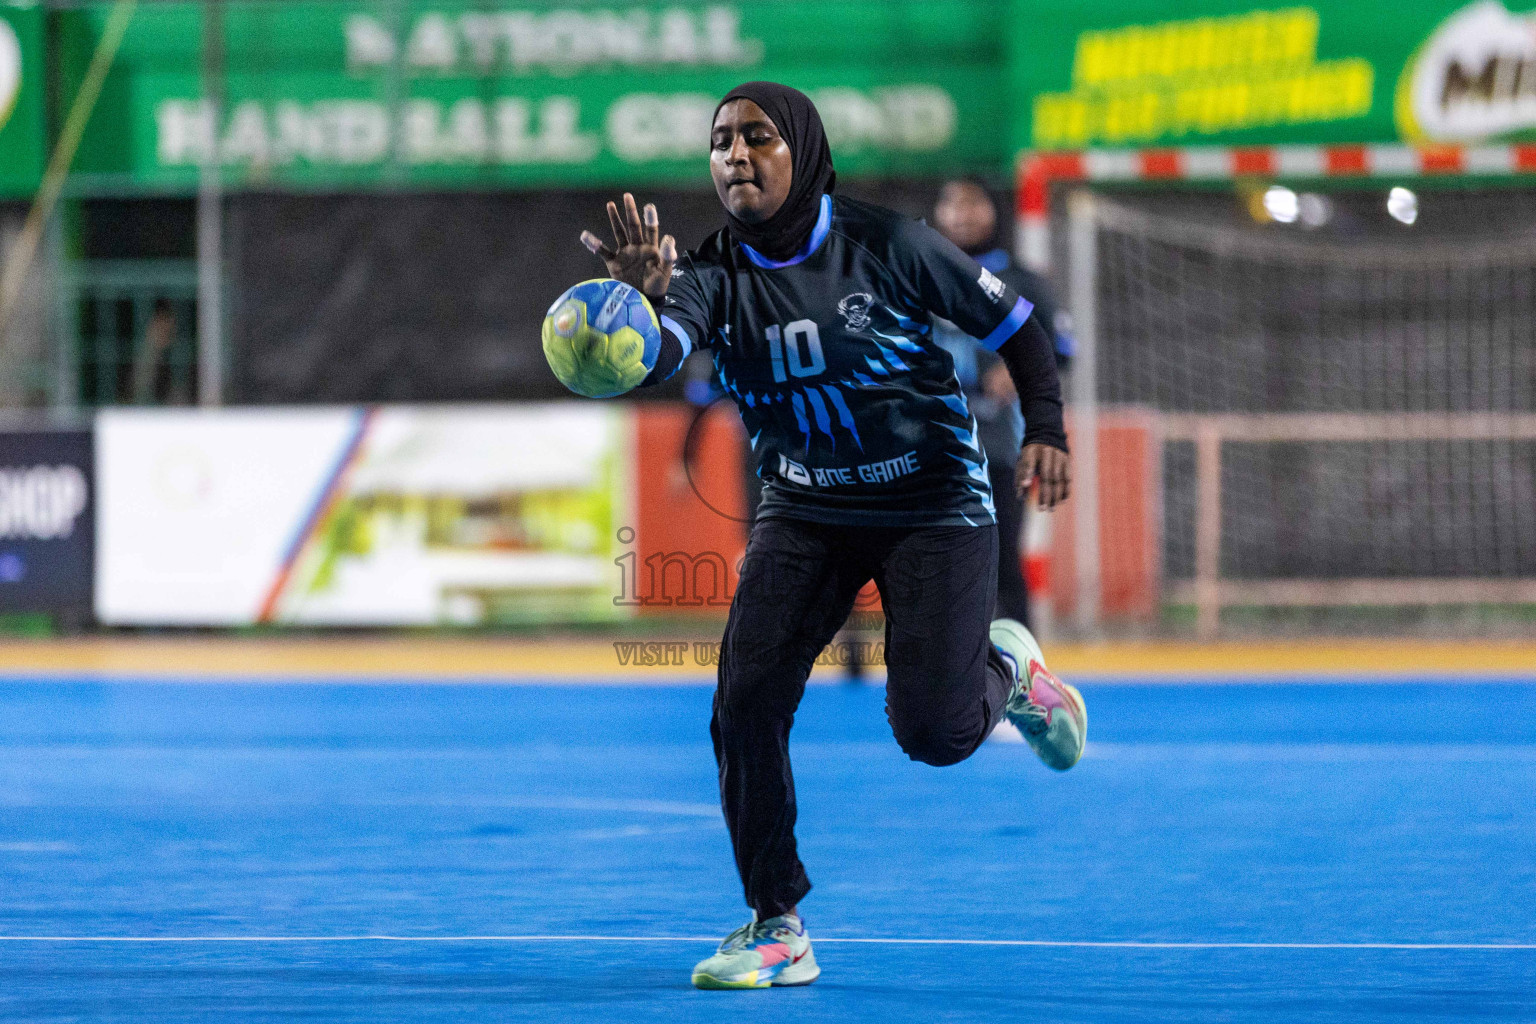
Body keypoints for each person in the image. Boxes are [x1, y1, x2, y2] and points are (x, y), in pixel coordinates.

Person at [573, 82, 1085, 989]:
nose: (735, 155)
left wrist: (1044, 425)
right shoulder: (706, 276)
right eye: (721, 141)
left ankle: (1008, 672)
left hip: (932, 503)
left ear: (801, 151)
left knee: (933, 731)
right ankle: (777, 924)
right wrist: (633, 314)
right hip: (805, 510)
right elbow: (658, 357)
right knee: (744, 704)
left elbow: (1019, 327)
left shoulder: (890, 244)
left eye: (756, 137)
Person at [931, 177, 1075, 628]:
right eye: (951, 202)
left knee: (1000, 555)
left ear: (994, 211)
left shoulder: (1020, 280)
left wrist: (1019, 369)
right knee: (933, 561)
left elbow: (1063, 349)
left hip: (998, 444)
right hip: (930, 444)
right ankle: (940, 674)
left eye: (973, 203)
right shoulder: (919, 275)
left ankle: (1025, 672)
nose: (962, 213)